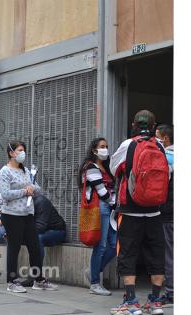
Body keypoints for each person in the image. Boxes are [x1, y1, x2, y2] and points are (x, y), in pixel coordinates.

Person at [109, 110, 168, 315]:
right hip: (154, 211)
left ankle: (132, 302)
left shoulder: (129, 145)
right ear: (154, 126)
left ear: (134, 124)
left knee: (128, 254)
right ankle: (155, 301)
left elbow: (114, 168)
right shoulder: (160, 146)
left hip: (131, 209)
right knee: (156, 255)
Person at [0, 141, 57, 293]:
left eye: (23, 150)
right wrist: (25, 191)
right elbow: (5, 194)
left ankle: (38, 280)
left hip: (28, 214)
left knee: (35, 247)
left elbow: (36, 188)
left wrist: (32, 188)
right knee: (14, 247)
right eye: (19, 150)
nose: (22, 153)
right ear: (11, 153)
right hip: (11, 215)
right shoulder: (5, 171)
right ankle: (12, 281)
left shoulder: (25, 171)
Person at [77, 137, 116, 296]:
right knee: (100, 246)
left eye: (106, 146)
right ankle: (94, 283)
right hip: (100, 208)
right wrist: (114, 202)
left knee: (114, 245)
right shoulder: (91, 167)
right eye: (102, 147)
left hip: (110, 208)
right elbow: (101, 191)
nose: (105, 149)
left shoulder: (106, 167)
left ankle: (93, 270)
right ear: (94, 150)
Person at [156, 124, 174, 307]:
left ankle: (171, 292)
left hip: (168, 211)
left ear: (166, 139)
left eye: (157, 137)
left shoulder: (167, 157)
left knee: (169, 252)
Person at [34, 194, 66, 265]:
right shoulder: (25, 205)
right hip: (44, 231)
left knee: (38, 238)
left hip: (58, 231)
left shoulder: (41, 202)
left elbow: (41, 226)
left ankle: (37, 272)